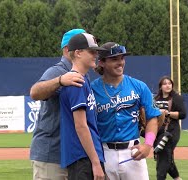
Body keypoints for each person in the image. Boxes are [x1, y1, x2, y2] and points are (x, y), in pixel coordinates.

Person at [91, 42, 161, 180]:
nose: (120, 63)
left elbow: (153, 117)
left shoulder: (139, 86)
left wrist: (148, 144)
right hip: (105, 153)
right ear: (102, 63)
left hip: (133, 153)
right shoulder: (92, 89)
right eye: (114, 59)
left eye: (122, 58)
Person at [29, 28, 86, 180]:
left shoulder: (83, 74)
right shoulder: (57, 71)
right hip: (52, 155)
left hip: (70, 155)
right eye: (83, 46)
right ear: (68, 49)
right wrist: (60, 80)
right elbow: (35, 92)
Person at [59, 33, 107, 180]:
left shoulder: (82, 80)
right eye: (92, 51)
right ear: (78, 53)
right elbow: (81, 126)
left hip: (86, 156)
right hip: (82, 157)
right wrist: (95, 162)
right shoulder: (76, 82)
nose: (96, 55)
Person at [153, 76, 187, 180]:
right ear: (160, 87)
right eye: (165, 83)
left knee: (163, 159)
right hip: (158, 132)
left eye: (169, 83)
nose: (167, 85)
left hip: (171, 132)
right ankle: (177, 178)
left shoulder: (177, 98)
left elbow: (183, 114)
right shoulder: (155, 99)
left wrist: (167, 113)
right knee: (166, 157)